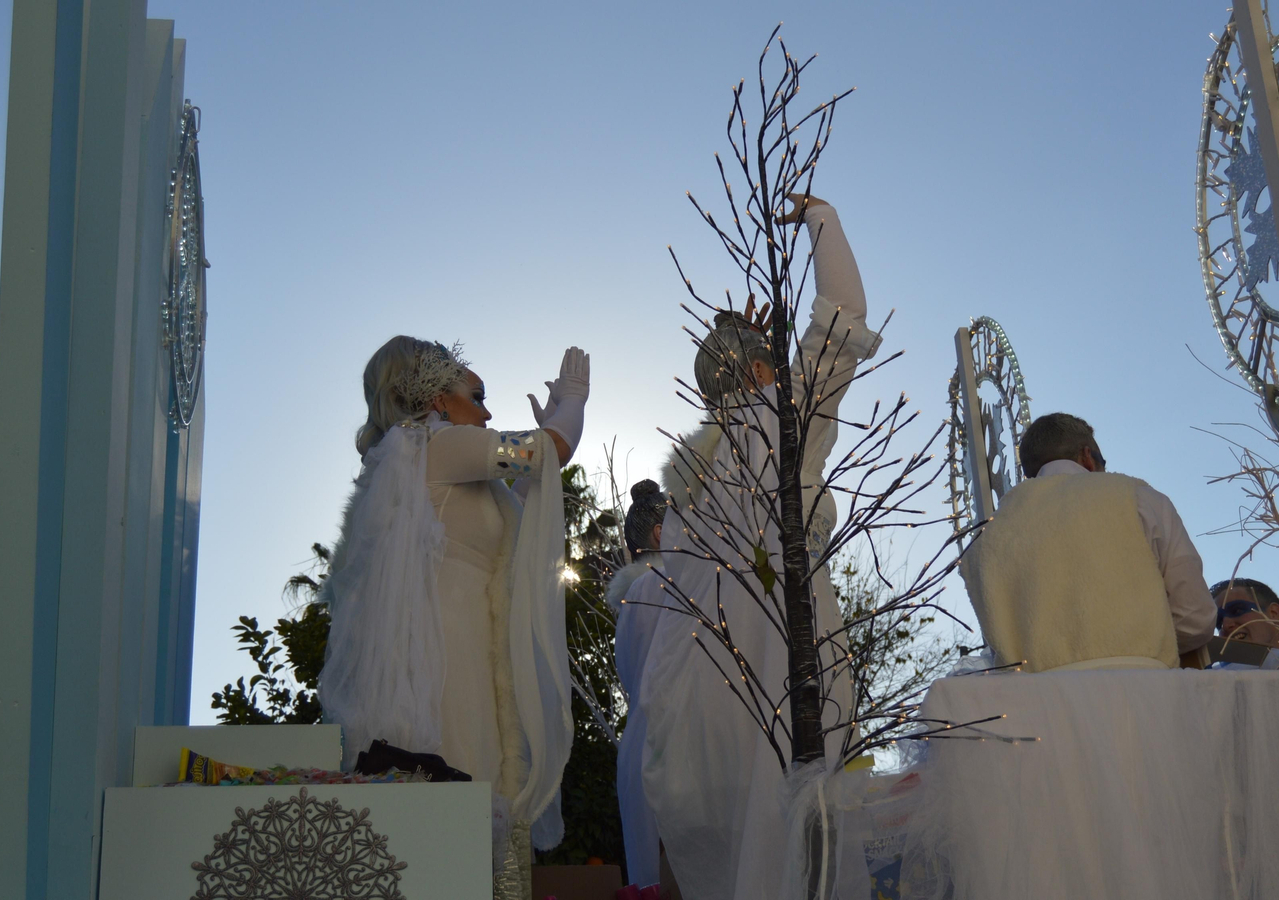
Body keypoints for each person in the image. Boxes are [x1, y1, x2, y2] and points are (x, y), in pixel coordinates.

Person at [638, 195, 883, 900]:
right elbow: (843, 312)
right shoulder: (781, 418)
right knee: (804, 861)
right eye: (771, 361)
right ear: (754, 372)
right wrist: (823, 218)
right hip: (786, 684)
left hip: (699, 703)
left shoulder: (692, 484)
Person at [318, 337, 589, 886]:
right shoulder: (437, 445)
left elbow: (521, 482)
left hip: (463, 651)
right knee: (466, 793)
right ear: (438, 400)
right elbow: (549, 452)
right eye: (476, 394)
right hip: (451, 664)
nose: (487, 412)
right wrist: (574, 403)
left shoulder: (428, 457)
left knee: (477, 792)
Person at [960, 412, 1217, 671]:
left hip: (1032, 701)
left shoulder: (985, 539)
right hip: (1141, 685)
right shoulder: (1138, 498)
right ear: (1087, 457)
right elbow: (1195, 617)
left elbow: (997, 639)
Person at [609, 480, 670, 890]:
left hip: (638, 740)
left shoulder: (634, 596)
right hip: (669, 739)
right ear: (661, 532)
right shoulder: (664, 586)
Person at [1212, 577, 1279, 650]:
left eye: (1236, 611)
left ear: (1273, 612)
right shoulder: (1210, 669)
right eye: (1219, 622)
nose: (1225, 625)